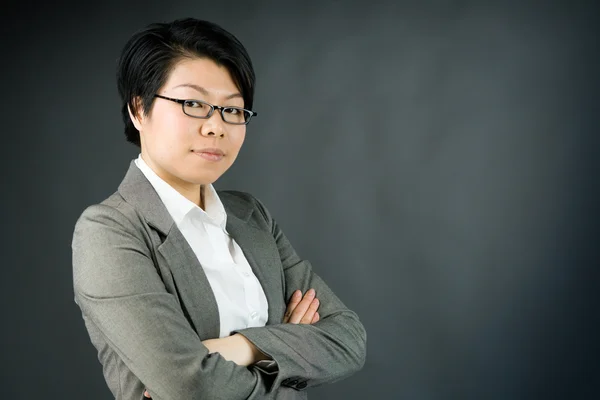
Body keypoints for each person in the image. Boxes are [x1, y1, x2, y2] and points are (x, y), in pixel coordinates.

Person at [72, 18, 366, 400]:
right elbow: (191, 384)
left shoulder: (250, 215)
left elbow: (347, 340)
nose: (216, 127)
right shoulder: (110, 232)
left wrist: (241, 347)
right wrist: (291, 351)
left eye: (233, 110)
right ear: (139, 109)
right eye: (193, 103)